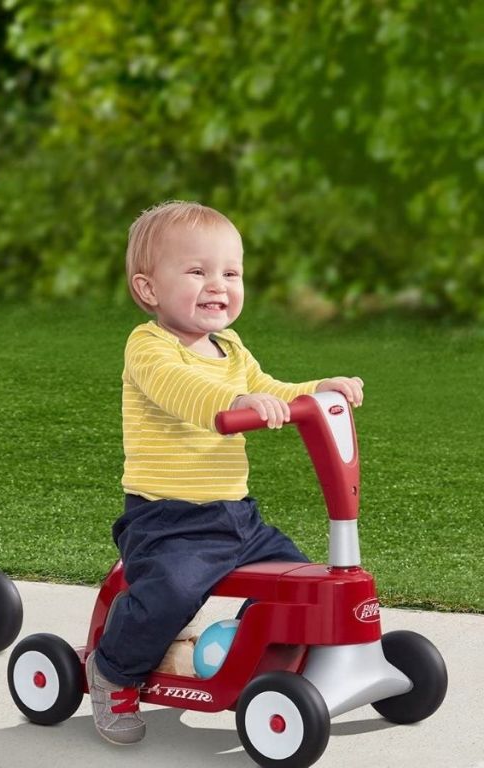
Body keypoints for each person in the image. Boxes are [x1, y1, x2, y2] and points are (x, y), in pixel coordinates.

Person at [86, 200, 363, 745]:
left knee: (301, 583)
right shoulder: (148, 347)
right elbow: (182, 390)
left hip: (237, 517)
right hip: (168, 520)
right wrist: (235, 401)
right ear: (148, 289)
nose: (218, 285)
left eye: (230, 273)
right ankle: (114, 670)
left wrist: (315, 391)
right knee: (170, 592)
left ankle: (256, 657)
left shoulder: (231, 348)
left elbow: (271, 389)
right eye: (197, 271)